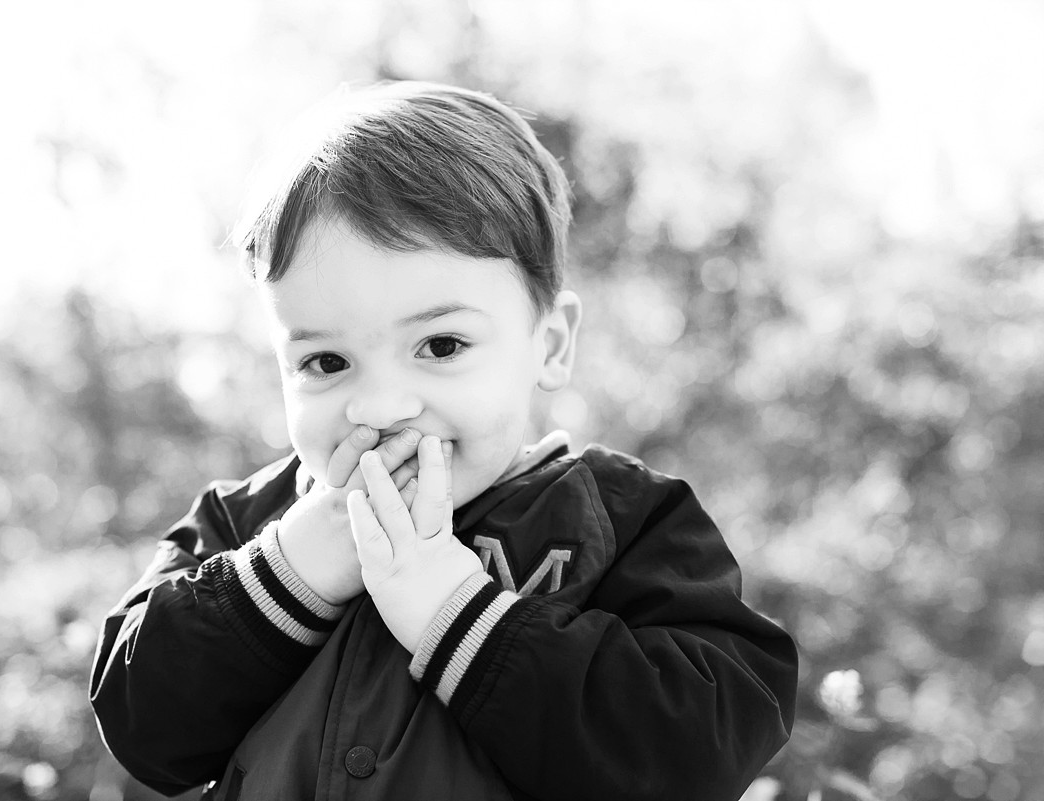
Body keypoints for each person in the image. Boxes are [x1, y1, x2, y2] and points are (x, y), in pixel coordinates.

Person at [89, 81, 798, 801]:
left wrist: (457, 613)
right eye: (326, 362)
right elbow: (143, 725)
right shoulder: (243, 525)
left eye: (442, 343)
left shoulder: (619, 520)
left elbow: (704, 741)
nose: (383, 406)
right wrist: (293, 568)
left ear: (548, 344)